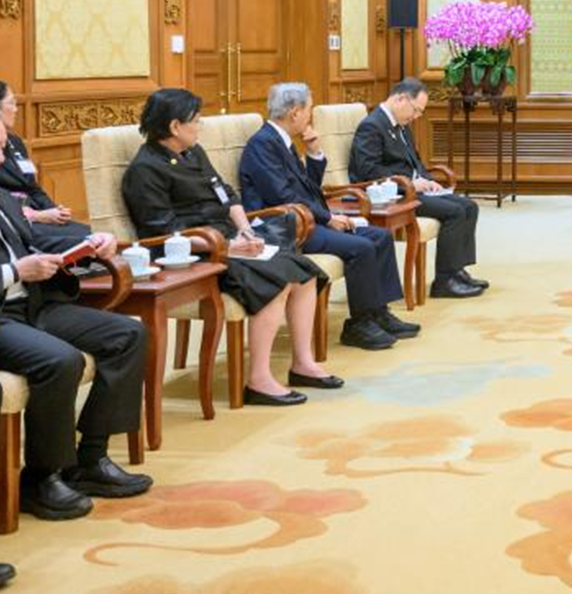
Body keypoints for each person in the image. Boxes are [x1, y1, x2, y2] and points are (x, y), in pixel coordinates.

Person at [122, 88, 337, 406]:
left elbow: (226, 194)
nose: (201, 126)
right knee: (275, 280)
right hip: (192, 254)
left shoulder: (193, 152)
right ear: (175, 126)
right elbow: (164, 232)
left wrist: (245, 231)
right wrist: (226, 247)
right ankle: (259, 380)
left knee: (304, 273)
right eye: (196, 120)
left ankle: (302, 363)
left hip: (227, 238)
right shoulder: (145, 169)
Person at [0, 187, 149, 520]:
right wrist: (16, 272)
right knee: (61, 360)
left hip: (33, 304)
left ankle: (91, 459)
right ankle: (41, 478)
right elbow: (19, 263)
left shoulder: (4, 197)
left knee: (127, 335)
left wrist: (89, 242)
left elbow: (35, 240)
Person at [238, 83, 417, 351]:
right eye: (309, 110)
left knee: (380, 237)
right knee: (361, 247)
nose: (310, 116)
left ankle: (378, 313)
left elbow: (307, 189)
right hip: (287, 227)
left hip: (306, 218)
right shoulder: (263, 144)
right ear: (295, 112)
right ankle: (359, 325)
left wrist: (313, 153)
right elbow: (283, 196)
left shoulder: (281, 141)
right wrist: (327, 218)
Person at [350, 78, 486, 299]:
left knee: (469, 206)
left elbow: (415, 162)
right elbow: (368, 171)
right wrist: (411, 183)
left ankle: (457, 271)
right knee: (454, 212)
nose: (416, 116)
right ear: (401, 99)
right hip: (392, 196)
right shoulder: (372, 126)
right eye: (416, 110)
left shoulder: (401, 124)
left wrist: (427, 180)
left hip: (411, 190)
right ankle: (444, 281)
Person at [0, 80, 91, 243]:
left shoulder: (15, 142)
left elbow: (32, 187)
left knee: (93, 234)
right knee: (84, 241)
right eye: (11, 103)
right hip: (17, 224)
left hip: (39, 214)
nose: (16, 109)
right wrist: (39, 216)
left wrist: (55, 211)